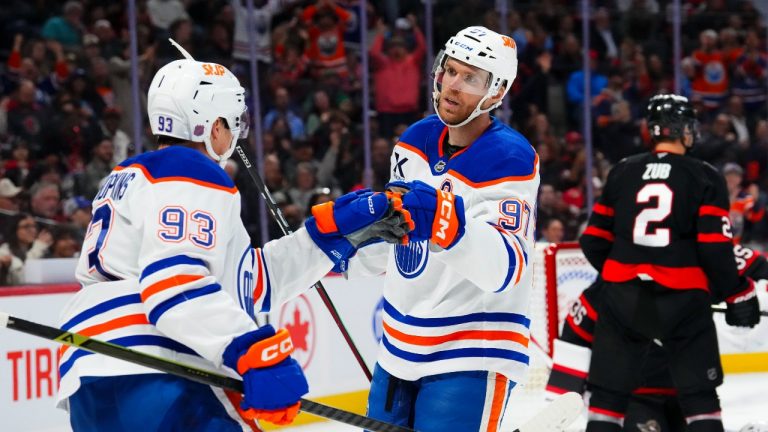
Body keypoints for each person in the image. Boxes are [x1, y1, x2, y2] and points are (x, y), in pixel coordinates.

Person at [56, 44, 413, 431]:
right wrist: (247, 349)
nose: (235, 134)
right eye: (231, 122)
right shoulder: (189, 169)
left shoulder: (132, 177)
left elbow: (248, 283)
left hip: (91, 376)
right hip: (161, 369)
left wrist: (325, 239)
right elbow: (174, 282)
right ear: (212, 127)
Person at [346, 26, 540, 431]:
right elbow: (398, 240)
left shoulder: (510, 158)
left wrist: (445, 223)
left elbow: (506, 266)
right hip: (398, 344)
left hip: (473, 349)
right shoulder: (415, 140)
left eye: (470, 78)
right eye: (450, 71)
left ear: (496, 91)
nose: (452, 86)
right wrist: (344, 250)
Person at [579, 94, 761, 432]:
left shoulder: (622, 171)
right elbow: (714, 249)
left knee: (606, 400)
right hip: (682, 300)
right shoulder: (704, 175)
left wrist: (620, 276)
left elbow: (592, 240)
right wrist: (736, 293)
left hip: (622, 300)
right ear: (682, 129)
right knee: (700, 399)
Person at [546, 243, 768, 432]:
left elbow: (754, 266)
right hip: (633, 398)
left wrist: (743, 297)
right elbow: (573, 344)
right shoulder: (604, 293)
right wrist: (557, 408)